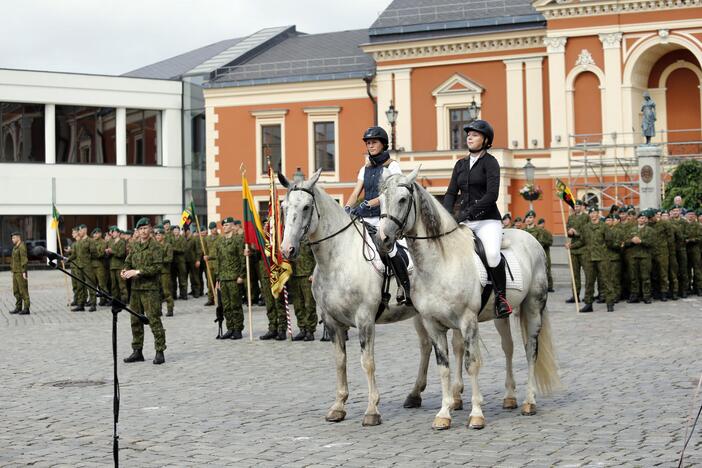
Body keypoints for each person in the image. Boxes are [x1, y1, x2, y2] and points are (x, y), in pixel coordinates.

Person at [441, 119, 511, 318]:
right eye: (468, 135)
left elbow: (491, 195)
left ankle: (501, 298)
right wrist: (447, 216)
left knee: (491, 254)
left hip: (487, 220)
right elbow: (450, 193)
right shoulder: (460, 164)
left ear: (485, 140)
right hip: (464, 222)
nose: (470, 137)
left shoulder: (491, 163)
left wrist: (468, 214)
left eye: (475, 135)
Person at [345, 126, 412, 306]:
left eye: (374, 142)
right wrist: (347, 207)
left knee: (386, 244)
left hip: (384, 216)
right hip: (364, 216)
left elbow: (394, 192)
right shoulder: (364, 169)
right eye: (368, 143)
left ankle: (404, 287)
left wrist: (371, 203)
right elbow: (355, 193)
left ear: (383, 144)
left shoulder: (392, 166)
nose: (370, 145)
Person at [122, 217, 167, 365]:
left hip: (150, 289)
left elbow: (157, 267)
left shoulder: (155, 247)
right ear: (137, 231)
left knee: (153, 319)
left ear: (150, 229)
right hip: (136, 289)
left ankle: (159, 351)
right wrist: (125, 270)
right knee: (135, 320)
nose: (143, 231)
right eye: (140, 229)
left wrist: (138, 272)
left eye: (145, 228)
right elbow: (128, 260)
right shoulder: (134, 245)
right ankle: (137, 351)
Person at [569, 207, 615, 312]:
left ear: (598, 214)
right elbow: (582, 241)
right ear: (589, 215)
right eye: (591, 213)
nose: (593, 215)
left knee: (606, 280)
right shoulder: (586, 227)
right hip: (589, 257)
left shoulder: (604, 227)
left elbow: (609, 241)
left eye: (595, 213)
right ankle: (588, 303)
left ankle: (610, 302)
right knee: (589, 281)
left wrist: (602, 250)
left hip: (602, 257)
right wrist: (571, 245)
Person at [215, 217, 246, 340]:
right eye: (224, 225)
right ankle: (230, 328)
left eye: (227, 225)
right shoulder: (220, 242)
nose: (225, 227)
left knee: (235, 304)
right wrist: (218, 277)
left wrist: (241, 275)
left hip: (234, 277)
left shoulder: (237, 240)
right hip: (223, 278)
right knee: (226, 305)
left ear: (233, 226)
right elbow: (219, 260)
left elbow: (242, 258)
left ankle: (238, 329)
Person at [290, 241, 318, 341]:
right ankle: (302, 328)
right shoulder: (291, 240)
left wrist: (314, 273)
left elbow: (316, 256)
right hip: (294, 274)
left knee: (309, 304)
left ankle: (310, 330)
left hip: (307, 275)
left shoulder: (308, 239)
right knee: (298, 305)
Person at [566, 200, 588, 303]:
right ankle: (575, 295)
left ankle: (588, 295)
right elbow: (568, 231)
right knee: (575, 275)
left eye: (578, 206)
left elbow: (587, 232)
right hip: (573, 249)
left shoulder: (586, 217)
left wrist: (577, 233)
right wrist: (569, 233)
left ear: (582, 207)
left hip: (584, 249)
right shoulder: (570, 217)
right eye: (575, 206)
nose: (576, 208)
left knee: (588, 274)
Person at [154, 226, 175, 317]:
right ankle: (158, 310)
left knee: (166, 291)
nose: (158, 237)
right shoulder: (154, 246)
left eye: (159, 235)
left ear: (163, 236)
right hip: (156, 271)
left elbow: (169, 258)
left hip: (165, 271)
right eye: (157, 235)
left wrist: (159, 260)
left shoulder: (168, 245)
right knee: (157, 292)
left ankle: (170, 309)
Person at [105, 226, 128, 306]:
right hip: (112, 265)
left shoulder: (122, 242)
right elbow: (108, 253)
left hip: (119, 266)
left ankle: (124, 300)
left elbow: (122, 254)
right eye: (112, 232)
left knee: (121, 284)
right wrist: (107, 252)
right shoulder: (110, 241)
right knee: (113, 285)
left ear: (118, 233)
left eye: (114, 232)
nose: (113, 233)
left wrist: (112, 251)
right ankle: (115, 299)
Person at [9, 232, 30, 315]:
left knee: (23, 290)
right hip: (15, 272)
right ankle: (18, 307)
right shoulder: (15, 248)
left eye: (14, 238)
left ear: (18, 237)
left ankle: (26, 308)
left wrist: (24, 272)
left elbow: (24, 260)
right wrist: (12, 270)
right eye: (12, 238)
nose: (12, 240)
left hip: (21, 272)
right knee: (16, 290)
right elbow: (13, 260)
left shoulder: (22, 247)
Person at [90, 227, 109, 305]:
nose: (95, 235)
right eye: (94, 233)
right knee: (93, 284)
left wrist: (91, 254)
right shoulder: (91, 242)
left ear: (100, 234)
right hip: (91, 265)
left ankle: (105, 299)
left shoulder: (103, 242)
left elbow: (100, 253)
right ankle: (93, 300)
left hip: (100, 265)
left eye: (97, 233)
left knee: (102, 284)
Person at [537, 218, 554, 292]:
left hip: (546, 253)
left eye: (542, 223)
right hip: (538, 254)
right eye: (540, 223)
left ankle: (550, 286)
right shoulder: (536, 232)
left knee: (548, 270)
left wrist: (543, 242)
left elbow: (550, 242)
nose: (541, 225)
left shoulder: (547, 232)